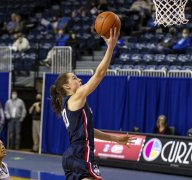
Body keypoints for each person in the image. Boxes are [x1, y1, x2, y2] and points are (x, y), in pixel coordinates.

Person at [50, 28, 134, 180]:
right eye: (75, 78)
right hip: (81, 153)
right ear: (67, 87)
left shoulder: (69, 104)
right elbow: (99, 74)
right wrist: (110, 47)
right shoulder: (74, 98)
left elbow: (89, 130)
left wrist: (114, 138)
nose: (80, 80)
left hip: (72, 155)